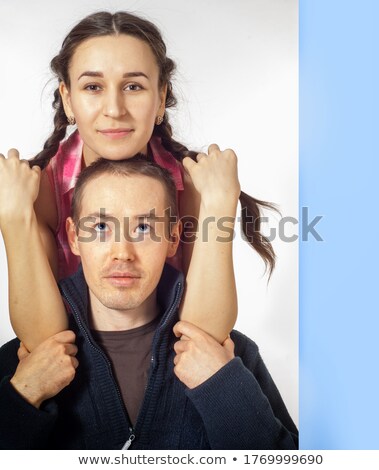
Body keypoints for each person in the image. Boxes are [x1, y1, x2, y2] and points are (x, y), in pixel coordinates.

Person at [0, 11, 275, 353]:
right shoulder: (37, 190)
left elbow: (204, 338)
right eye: (93, 87)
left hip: (166, 366)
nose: (114, 109)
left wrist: (219, 205)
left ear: (160, 98)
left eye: (133, 86)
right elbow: (44, 344)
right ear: (68, 99)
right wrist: (14, 217)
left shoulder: (194, 186)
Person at [0, 156, 297, 450]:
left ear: (173, 238)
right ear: (74, 237)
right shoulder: (24, 364)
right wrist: (23, 396)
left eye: (143, 228)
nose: (122, 253)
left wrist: (223, 388)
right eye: (101, 227)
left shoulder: (229, 357)